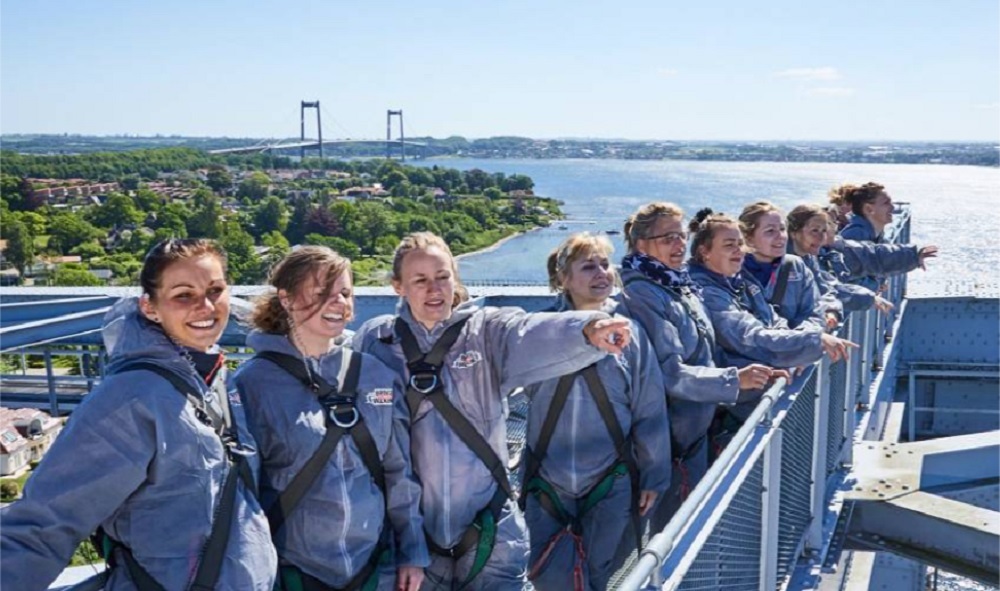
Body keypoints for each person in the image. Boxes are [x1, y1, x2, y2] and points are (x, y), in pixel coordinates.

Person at [351, 232, 633, 591]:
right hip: (411, 534)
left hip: (489, 530)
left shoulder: (484, 332)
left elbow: (528, 332)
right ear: (398, 287)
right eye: (420, 281)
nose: (435, 289)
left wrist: (587, 330)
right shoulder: (377, 342)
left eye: (443, 277)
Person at [1, 238, 277, 591]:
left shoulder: (214, 380)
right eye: (183, 295)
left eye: (215, 290)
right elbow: (46, 522)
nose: (205, 306)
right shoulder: (131, 398)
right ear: (149, 307)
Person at [232, 246, 427, 591]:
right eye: (322, 292)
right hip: (292, 575)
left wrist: (412, 552)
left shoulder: (375, 376)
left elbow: (398, 471)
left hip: (374, 570)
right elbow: (241, 495)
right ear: (287, 299)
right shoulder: (251, 384)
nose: (338, 302)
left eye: (346, 293)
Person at [617, 202, 783, 532]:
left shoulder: (677, 286)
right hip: (667, 445)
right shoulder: (643, 294)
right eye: (668, 239)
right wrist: (735, 380)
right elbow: (671, 374)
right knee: (669, 539)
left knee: (690, 527)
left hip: (693, 437)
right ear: (641, 245)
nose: (679, 246)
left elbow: (707, 354)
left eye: (681, 236)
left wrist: (756, 371)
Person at [521, 233, 670, 591]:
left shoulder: (630, 336)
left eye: (605, 264)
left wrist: (654, 475)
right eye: (588, 266)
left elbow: (649, 408)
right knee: (546, 572)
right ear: (564, 279)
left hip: (610, 475)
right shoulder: (538, 331)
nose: (602, 272)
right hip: (547, 476)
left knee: (599, 573)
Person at [687, 211, 854, 447]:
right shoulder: (707, 293)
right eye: (728, 245)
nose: (738, 250)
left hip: (752, 394)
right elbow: (750, 337)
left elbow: (774, 320)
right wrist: (813, 341)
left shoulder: (738, 282)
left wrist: (797, 341)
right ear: (704, 252)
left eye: (739, 244)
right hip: (724, 406)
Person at [739, 201, 841, 331]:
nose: (780, 237)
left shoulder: (796, 266)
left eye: (782, 229)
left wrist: (799, 339)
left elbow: (814, 312)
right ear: (748, 238)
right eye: (770, 231)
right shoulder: (733, 273)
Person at [837, 182, 939, 291]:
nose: (893, 207)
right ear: (868, 209)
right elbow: (843, 278)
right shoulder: (855, 235)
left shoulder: (876, 233)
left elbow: (875, 263)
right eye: (886, 203)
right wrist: (875, 286)